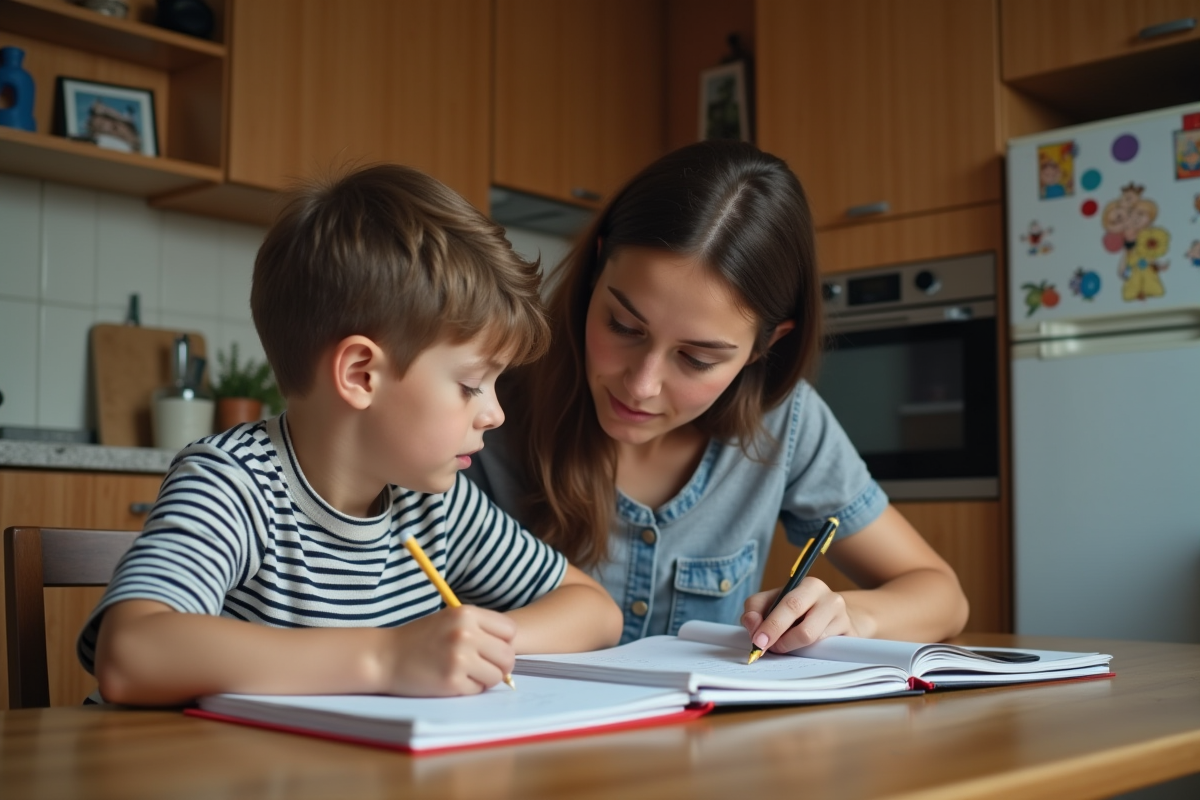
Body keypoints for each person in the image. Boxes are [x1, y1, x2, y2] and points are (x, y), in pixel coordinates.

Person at [80, 164, 623, 706]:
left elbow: (594, 609)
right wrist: (385, 658)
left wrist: (481, 646)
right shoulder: (236, 484)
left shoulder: (436, 504)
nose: (495, 414)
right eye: (469, 384)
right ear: (361, 374)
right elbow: (130, 653)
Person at [466, 140, 969, 657]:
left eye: (698, 358)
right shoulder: (483, 400)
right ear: (597, 270)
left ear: (764, 346)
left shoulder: (784, 421)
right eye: (623, 326)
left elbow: (942, 595)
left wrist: (850, 616)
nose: (642, 384)